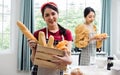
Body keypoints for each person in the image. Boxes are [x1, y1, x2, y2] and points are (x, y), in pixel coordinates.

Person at [28, 2, 73, 75]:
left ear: (58, 14)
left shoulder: (66, 33)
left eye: (53, 13)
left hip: (58, 72)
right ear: (43, 18)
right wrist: (33, 49)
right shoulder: (38, 34)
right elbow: (34, 60)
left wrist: (66, 60)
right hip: (38, 71)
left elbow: (69, 59)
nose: (51, 17)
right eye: (47, 15)